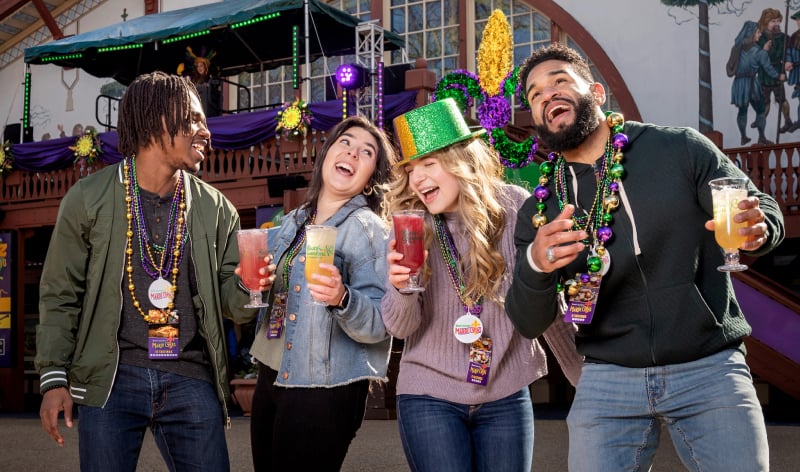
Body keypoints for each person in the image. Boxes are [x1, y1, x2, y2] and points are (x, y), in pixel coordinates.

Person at [506, 43, 784, 471]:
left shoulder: (678, 148)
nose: (548, 95)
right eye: (535, 94)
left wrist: (758, 227)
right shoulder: (539, 209)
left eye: (560, 81)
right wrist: (537, 266)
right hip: (606, 375)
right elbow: (527, 321)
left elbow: (759, 206)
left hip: (708, 366)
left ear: (596, 93)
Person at [36, 71, 255, 471]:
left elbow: (233, 305)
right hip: (112, 377)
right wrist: (54, 378)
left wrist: (253, 286)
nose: (206, 131)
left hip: (192, 376)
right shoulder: (87, 199)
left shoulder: (217, 208)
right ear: (156, 120)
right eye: (194, 119)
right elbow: (59, 293)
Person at [381, 98, 583, 472]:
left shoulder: (515, 207)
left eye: (429, 163)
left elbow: (543, 300)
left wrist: (585, 383)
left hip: (506, 392)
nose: (418, 179)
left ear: (461, 158)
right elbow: (399, 327)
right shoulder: (409, 225)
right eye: (411, 169)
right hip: (427, 392)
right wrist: (402, 286)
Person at [244, 115, 395, 471]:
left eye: (366, 152)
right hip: (271, 373)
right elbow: (257, 280)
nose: (352, 153)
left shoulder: (369, 231)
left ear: (372, 178)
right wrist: (250, 280)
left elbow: (381, 323)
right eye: (345, 142)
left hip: (322, 388)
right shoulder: (293, 221)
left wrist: (343, 298)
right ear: (326, 154)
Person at [730, 21, 783, 145]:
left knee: (742, 110)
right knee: (760, 109)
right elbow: (768, 69)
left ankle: (743, 136)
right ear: (752, 34)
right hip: (752, 84)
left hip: (739, 84)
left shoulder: (737, 48)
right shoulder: (758, 51)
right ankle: (762, 137)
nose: (760, 35)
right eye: (758, 32)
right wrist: (778, 76)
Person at [754, 8, 793, 134]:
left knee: (781, 99)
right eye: (773, 21)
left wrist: (788, 60)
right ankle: (761, 122)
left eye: (778, 21)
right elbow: (754, 56)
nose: (776, 24)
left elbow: (790, 51)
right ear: (766, 22)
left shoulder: (783, 37)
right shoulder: (759, 37)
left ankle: (788, 121)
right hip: (764, 74)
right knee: (764, 101)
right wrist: (763, 50)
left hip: (778, 69)